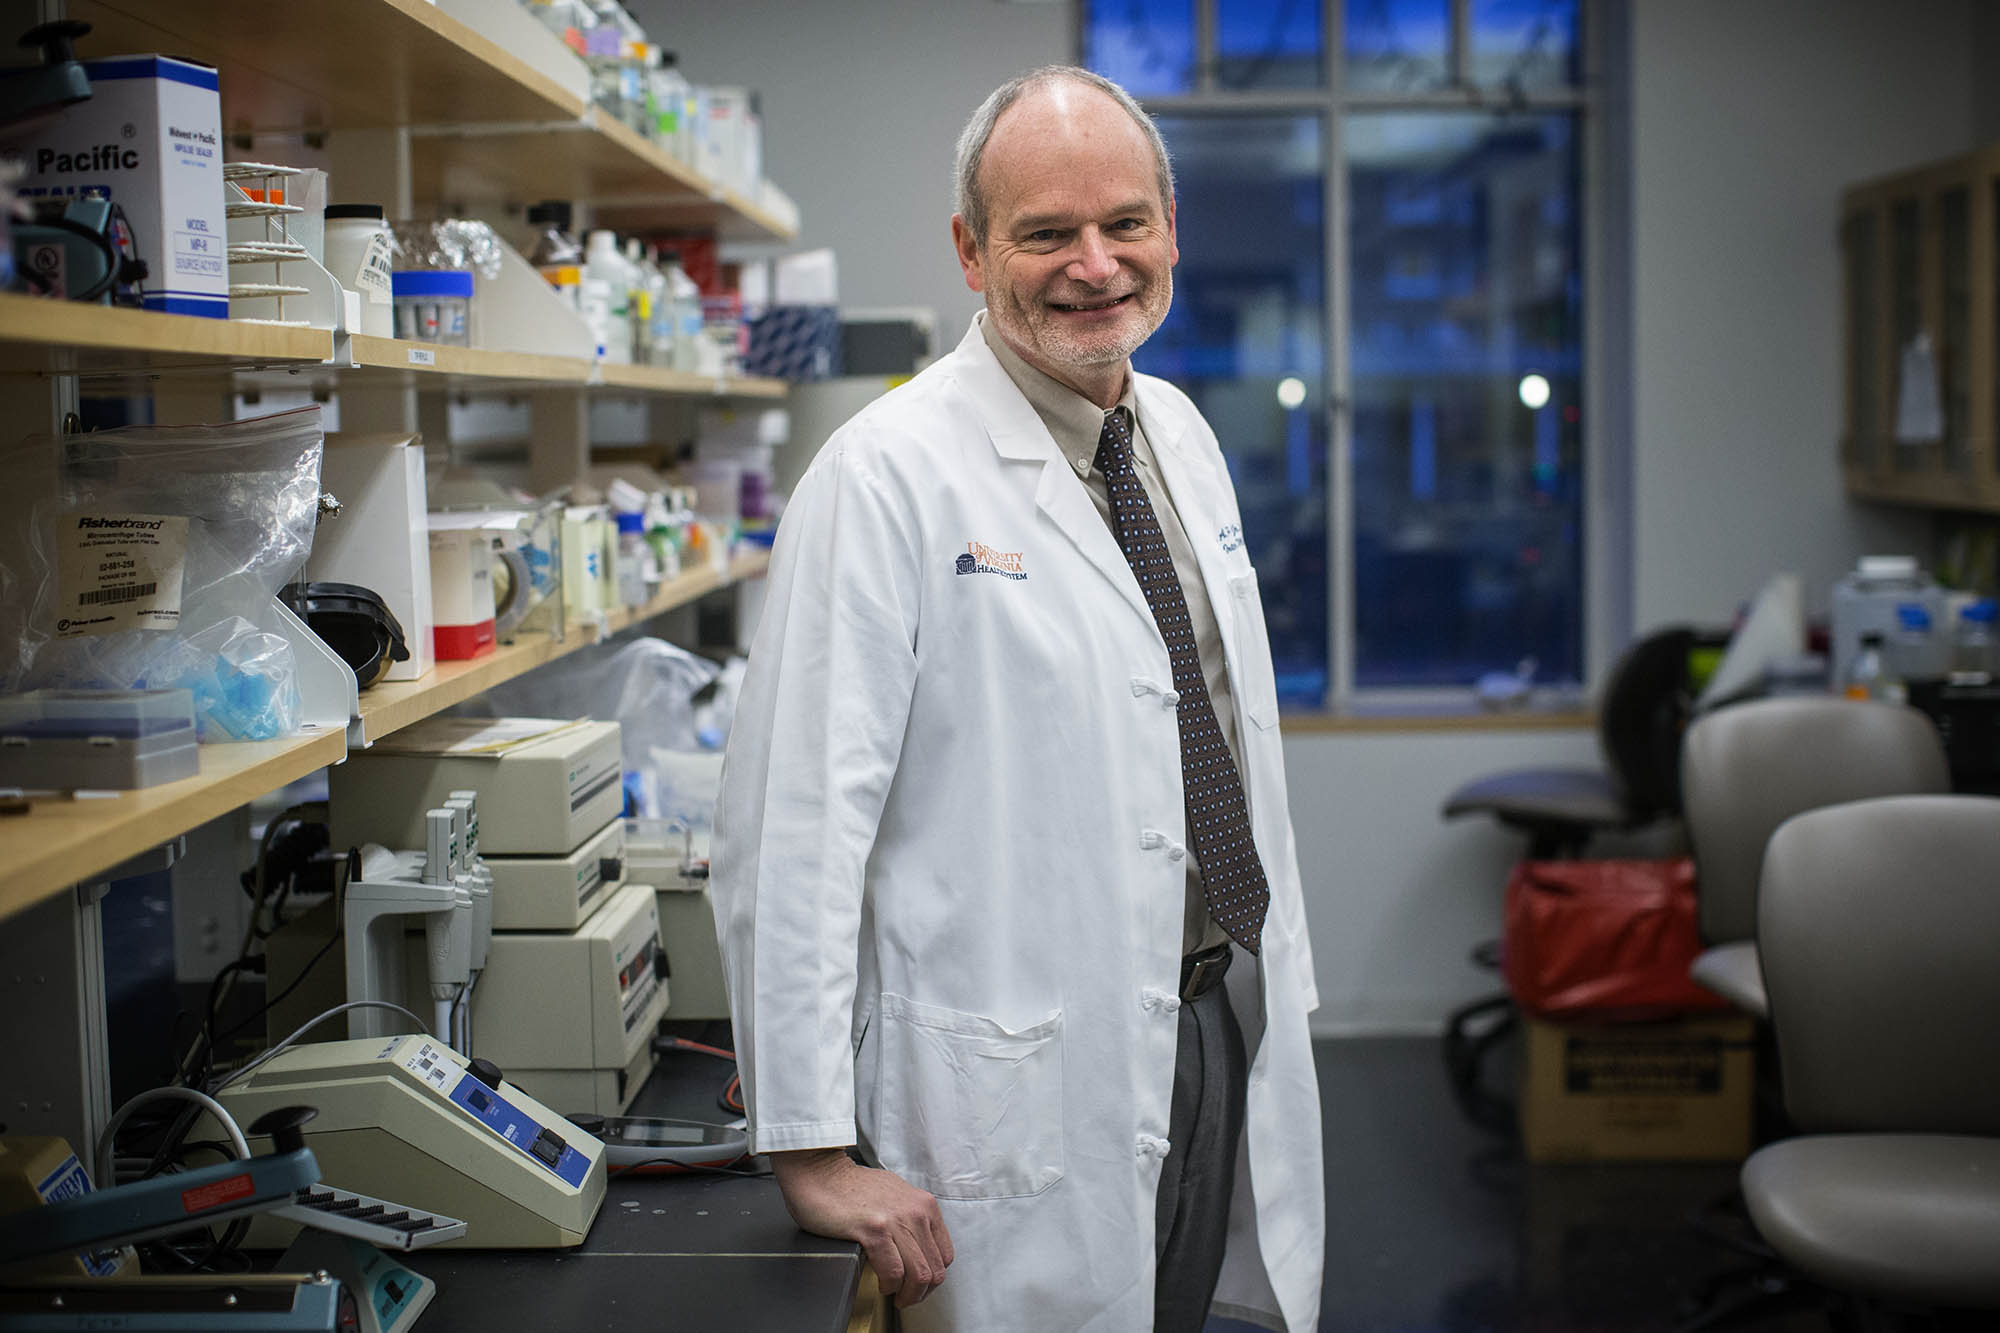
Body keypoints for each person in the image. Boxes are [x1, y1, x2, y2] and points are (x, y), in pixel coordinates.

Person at [712, 64, 1325, 1332]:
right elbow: (792, 832)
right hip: (1005, 1071)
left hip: (1206, 1011)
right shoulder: (885, 475)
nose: (1094, 264)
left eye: (1124, 224)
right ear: (971, 250)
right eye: (1045, 232)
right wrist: (810, 1148)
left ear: (1171, 228)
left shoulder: (1181, 438)